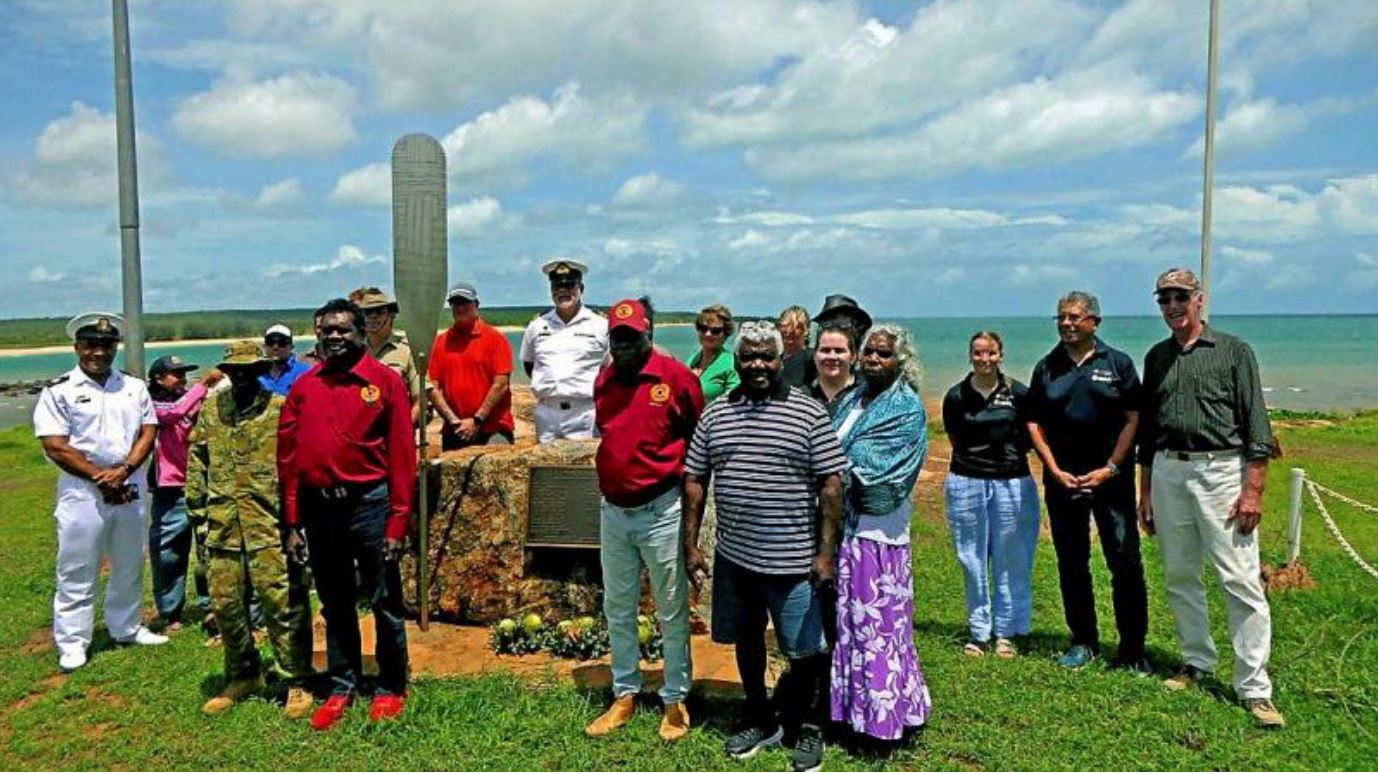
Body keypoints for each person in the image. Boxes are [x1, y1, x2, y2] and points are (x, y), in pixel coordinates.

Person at [683, 321, 848, 773]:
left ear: (780, 360)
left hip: (793, 559)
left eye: (765, 356)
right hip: (736, 557)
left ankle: (811, 724)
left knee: (805, 650)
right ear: (736, 362)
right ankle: (761, 715)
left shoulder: (809, 411)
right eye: (748, 356)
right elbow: (695, 480)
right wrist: (692, 545)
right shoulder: (715, 415)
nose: (757, 364)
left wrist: (824, 553)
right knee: (747, 639)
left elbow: (831, 485)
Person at [1138, 268, 1284, 728]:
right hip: (1168, 470)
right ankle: (1197, 660)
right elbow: (1147, 431)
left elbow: (1256, 424)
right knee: (1180, 575)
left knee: (1239, 579)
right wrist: (1145, 492)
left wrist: (1253, 490)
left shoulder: (1233, 351)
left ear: (1199, 299)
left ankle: (1255, 688)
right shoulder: (1156, 357)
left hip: (1221, 470)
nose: (1173, 306)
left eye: (1181, 296)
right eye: (1164, 299)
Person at [278, 298, 416, 729]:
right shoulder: (305, 387)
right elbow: (289, 458)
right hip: (321, 509)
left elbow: (401, 457)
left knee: (384, 600)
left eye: (344, 329)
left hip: (370, 504)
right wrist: (293, 520)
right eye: (327, 330)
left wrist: (397, 521)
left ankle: (391, 684)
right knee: (335, 602)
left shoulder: (384, 382)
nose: (334, 336)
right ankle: (343, 684)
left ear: (361, 332)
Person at [585, 298, 705, 743]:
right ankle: (625, 692)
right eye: (617, 337)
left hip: (661, 511)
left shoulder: (676, 379)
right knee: (617, 607)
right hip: (613, 512)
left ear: (648, 333)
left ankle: (675, 697)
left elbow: (698, 438)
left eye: (632, 336)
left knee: (671, 609)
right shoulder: (605, 380)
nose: (624, 344)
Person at [33, 312, 167, 672]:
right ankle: (73, 642)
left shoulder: (133, 387)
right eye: (91, 344)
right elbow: (55, 445)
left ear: (115, 348)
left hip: (130, 483)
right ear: (77, 347)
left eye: (106, 345)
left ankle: (126, 626)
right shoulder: (59, 390)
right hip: (82, 491)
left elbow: (148, 432)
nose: (99, 352)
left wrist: (123, 472)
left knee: (130, 560)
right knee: (77, 566)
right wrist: (100, 477)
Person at [186, 341, 313, 719]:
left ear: (259, 371)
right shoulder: (212, 409)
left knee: (282, 602)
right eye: (233, 372)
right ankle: (243, 673)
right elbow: (198, 458)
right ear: (226, 373)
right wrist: (197, 508)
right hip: (223, 524)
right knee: (226, 605)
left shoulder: (278, 410)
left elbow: (296, 464)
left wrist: (296, 520)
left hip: (268, 523)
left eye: (248, 371)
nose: (240, 378)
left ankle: (296, 679)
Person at [1026, 291, 1150, 672]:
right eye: (1061, 317)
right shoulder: (1047, 367)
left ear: (1094, 321)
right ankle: (1083, 641)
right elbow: (1033, 421)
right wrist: (1053, 468)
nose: (1066, 323)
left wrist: (1111, 467)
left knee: (1124, 561)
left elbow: (1134, 418)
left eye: (1075, 317)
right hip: (1064, 483)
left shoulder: (1118, 364)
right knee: (1071, 562)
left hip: (1110, 481)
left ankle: (1132, 651)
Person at [829, 324, 933, 745]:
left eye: (883, 354)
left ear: (901, 362)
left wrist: (829, 472)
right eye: (868, 352)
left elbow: (877, 474)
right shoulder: (853, 398)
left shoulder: (905, 408)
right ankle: (851, 713)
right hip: (841, 531)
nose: (873, 359)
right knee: (848, 626)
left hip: (877, 535)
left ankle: (883, 721)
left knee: (879, 627)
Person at [942, 331, 1040, 658]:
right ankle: (979, 630)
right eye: (978, 353)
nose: (985, 360)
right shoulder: (956, 396)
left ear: (1001, 355)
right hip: (966, 481)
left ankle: (1007, 631)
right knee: (971, 557)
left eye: (991, 353)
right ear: (970, 355)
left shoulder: (1018, 393)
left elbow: (1031, 435)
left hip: (1012, 482)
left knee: (1012, 557)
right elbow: (956, 438)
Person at [147, 354, 225, 631]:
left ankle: (211, 606)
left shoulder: (191, 399)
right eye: (175, 374)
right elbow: (173, 413)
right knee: (169, 552)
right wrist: (203, 383)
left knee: (208, 550)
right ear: (158, 379)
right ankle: (170, 611)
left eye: (184, 374)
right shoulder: (151, 404)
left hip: (203, 482)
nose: (181, 379)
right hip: (170, 488)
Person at [520, 259, 609, 442]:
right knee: (545, 468)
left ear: (580, 288)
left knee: (581, 469)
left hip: (585, 413)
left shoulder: (600, 325)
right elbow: (530, 365)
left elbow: (609, 367)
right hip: (546, 414)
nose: (563, 291)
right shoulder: (537, 325)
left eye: (570, 285)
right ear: (551, 290)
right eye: (558, 286)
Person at [428, 282, 514, 450]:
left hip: (493, 428)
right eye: (455, 303)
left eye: (465, 303)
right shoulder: (440, 343)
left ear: (476, 305)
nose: (460, 308)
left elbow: (501, 385)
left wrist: (477, 420)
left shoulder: (496, 339)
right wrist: (453, 421)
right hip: (455, 428)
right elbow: (432, 388)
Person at [350, 287, 422, 423]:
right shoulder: (353, 352)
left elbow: (419, 400)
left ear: (391, 315)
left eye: (379, 312)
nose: (373, 316)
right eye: (368, 312)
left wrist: (402, 430)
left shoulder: (408, 351)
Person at [686, 303, 739, 403]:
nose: (708, 334)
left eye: (716, 331)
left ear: (726, 334)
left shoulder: (732, 363)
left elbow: (734, 402)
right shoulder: (692, 360)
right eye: (703, 328)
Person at [810, 322, 859, 417]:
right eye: (825, 350)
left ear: (853, 357)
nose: (832, 357)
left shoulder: (864, 395)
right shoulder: (802, 396)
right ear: (814, 356)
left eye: (839, 351)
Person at [260, 324, 312, 396]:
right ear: (264, 346)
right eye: (270, 342)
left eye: (282, 343)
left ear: (291, 347)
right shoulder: (255, 374)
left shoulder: (305, 373)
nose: (275, 347)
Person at [777, 305, 817, 389]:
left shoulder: (812, 358)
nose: (789, 331)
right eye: (785, 326)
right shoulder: (775, 360)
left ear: (806, 331)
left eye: (796, 327)